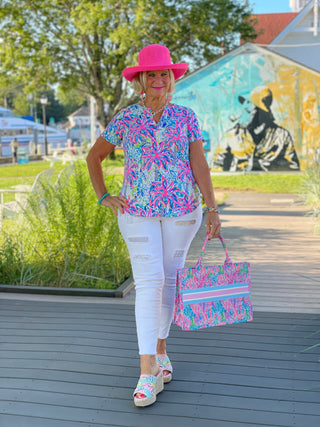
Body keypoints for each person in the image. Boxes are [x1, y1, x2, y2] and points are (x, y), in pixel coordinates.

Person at [86, 44, 221, 407]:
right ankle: (147, 372)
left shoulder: (186, 116)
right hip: (137, 212)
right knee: (150, 283)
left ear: (172, 78)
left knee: (169, 279)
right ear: (141, 80)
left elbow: (200, 166)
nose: (159, 79)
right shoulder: (126, 118)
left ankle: (161, 353)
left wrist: (212, 208)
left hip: (183, 212)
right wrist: (104, 196)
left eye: (165, 73)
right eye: (152, 74)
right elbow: (94, 157)